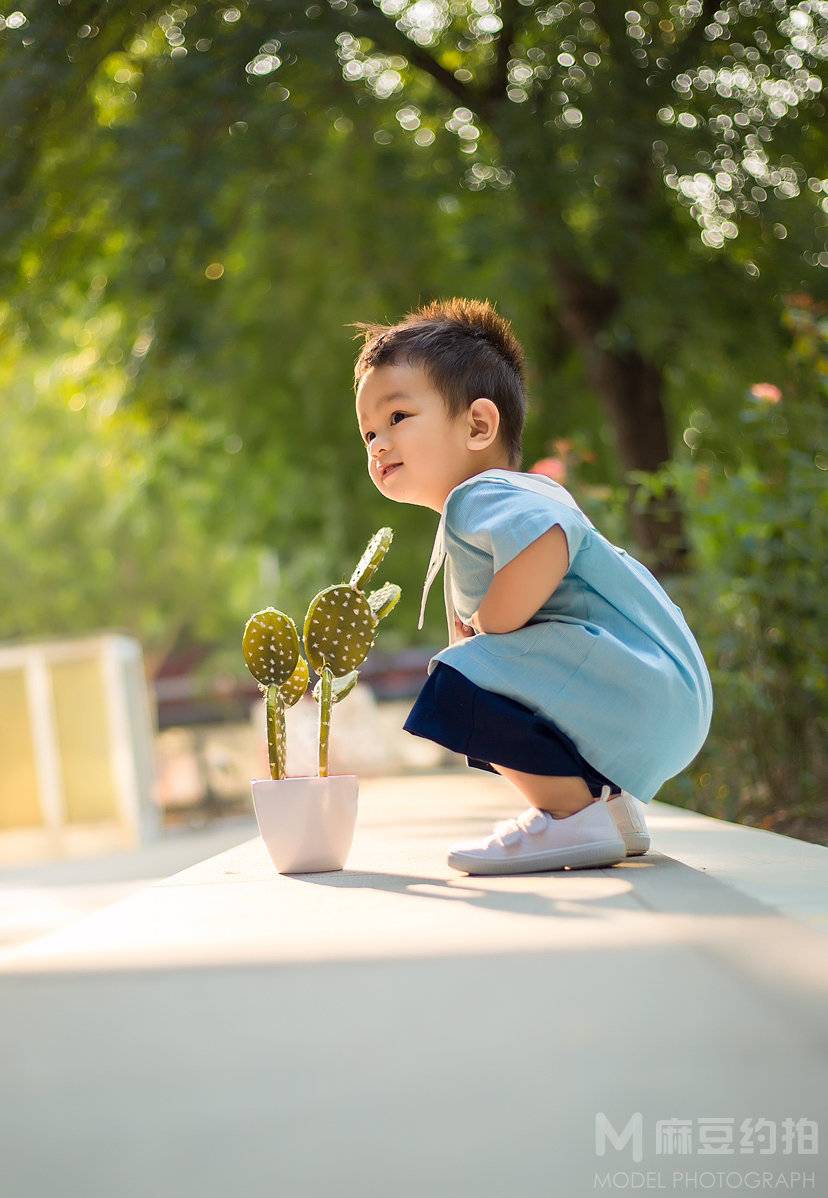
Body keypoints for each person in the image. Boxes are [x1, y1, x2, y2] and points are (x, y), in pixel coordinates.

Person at [350, 298, 713, 876]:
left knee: (454, 686)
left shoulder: (483, 495)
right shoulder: (484, 510)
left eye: (397, 418)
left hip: (637, 687)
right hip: (654, 694)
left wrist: (493, 627)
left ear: (478, 425)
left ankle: (571, 817)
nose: (378, 444)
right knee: (471, 673)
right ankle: (612, 814)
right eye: (368, 432)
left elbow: (553, 534)